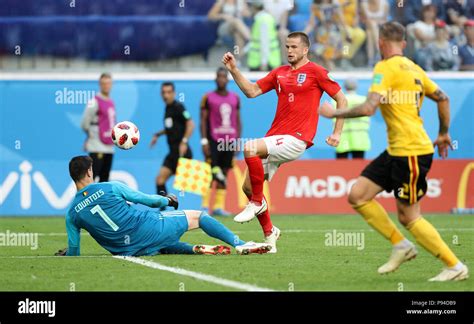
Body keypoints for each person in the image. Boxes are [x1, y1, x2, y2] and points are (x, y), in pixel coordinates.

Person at [319, 21, 468, 281]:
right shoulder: (415, 68)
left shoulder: (385, 67)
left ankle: (454, 266)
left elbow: (368, 108)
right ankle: (401, 245)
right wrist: (443, 133)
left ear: (379, 43)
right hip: (398, 150)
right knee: (358, 195)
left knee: (409, 216)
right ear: (405, 43)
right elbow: (443, 97)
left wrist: (334, 112)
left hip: (411, 152)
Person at [222, 31, 346, 253]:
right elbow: (251, 91)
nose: (289, 51)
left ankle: (258, 202)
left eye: (294, 47)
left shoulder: (317, 72)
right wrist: (234, 70)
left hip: (298, 139)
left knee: (250, 147)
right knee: (248, 187)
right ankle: (270, 233)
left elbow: (341, 99)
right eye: (287, 47)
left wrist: (337, 132)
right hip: (276, 137)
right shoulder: (279, 73)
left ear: (305, 49)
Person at [55, 156, 271, 257]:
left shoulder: (72, 213)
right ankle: (241, 244)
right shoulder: (110, 187)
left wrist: (67, 254)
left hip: (127, 250)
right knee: (199, 216)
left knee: (160, 244)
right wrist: (167, 200)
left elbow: (75, 251)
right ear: (89, 173)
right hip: (147, 228)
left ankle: (194, 249)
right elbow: (148, 200)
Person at [200, 67, 241, 216]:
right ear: (215, 79)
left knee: (224, 172)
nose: (221, 79)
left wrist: (237, 140)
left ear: (227, 79)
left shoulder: (235, 97)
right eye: (219, 77)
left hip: (229, 141)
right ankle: (205, 206)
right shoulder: (208, 97)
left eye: (223, 77)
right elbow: (203, 120)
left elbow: (237, 120)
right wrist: (204, 141)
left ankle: (218, 207)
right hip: (213, 140)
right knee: (211, 172)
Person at [150, 82, 194, 199]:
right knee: (159, 180)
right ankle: (163, 209)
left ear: (174, 93)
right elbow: (170, 128)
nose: (166, 95)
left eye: (169, 92)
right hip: (172, 154)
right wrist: (158, 134)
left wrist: (184, 141)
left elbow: (191, 124)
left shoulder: (178, 107)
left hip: (182, 153)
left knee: (184, 189)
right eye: (164, 92)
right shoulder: (167, 109)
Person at [81, 73, 116, 182]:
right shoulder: (93, 101)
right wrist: (90, 136)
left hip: (109, 147)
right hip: (97, 146)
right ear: (100, 85)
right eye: (104, 83)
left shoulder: (111, 102)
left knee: (105, 180)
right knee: (91, 177)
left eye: (108, 83)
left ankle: (102, 200)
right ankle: (85, 198)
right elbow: (85, 122)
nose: (106, 86)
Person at [333, 78, 370, 159]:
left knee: (341, 168)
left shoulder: (336, 101)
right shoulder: (363, 100)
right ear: (356, 87)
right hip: (360, 139)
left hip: (342, 139)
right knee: (357, 168)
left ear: (345, 87)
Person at [247, 0, 281, 71]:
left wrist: (263, 63)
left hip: (263, 63)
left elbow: (264, 42)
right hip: (270, 61)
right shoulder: (267, 17)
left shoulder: (262, 20)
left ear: (254, 7)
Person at [360, 0, 389, 66]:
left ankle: (370, 59)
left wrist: (376, 22)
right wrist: (373, 23)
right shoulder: (363, 4)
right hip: (367, 26)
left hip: (380, 27)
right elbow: (365, 20)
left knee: (370, 33)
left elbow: (385, 20)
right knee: (371, 27)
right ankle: (379, 52)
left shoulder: (384, 3)